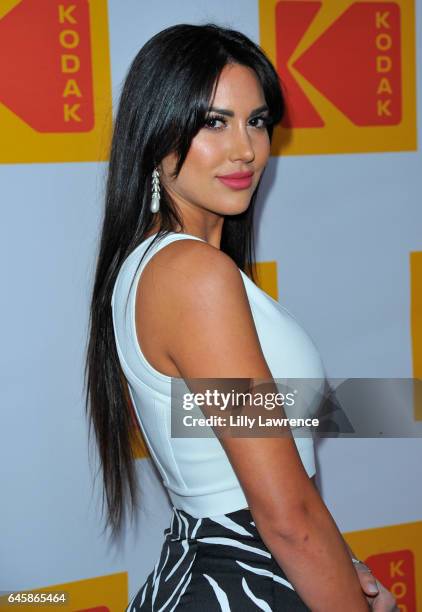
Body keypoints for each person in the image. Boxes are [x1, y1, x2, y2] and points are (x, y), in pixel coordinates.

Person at [85, 23, 398, 611]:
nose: (245, 150)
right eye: (213, 122)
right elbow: (284, 515)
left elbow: (274, 476)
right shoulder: (192, 277)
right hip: (241, 581)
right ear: (156, 133)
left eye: (256, 121)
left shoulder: (165, 268)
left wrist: (345, 566)